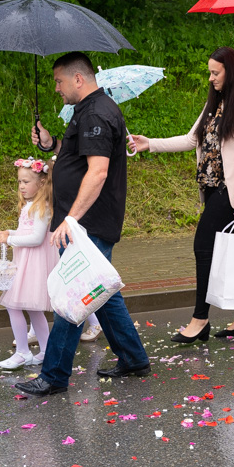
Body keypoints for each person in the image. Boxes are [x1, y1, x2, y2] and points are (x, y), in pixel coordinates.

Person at [15, 52, 150, 397]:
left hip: (88, 222)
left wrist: (71, 219)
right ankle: (134, 358)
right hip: (84, 220)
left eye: (59, 81)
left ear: (78, 79)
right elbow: (77, 156)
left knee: (73, 295)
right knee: (100, 292)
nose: (56, 88)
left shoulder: (97, 113)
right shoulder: (87, 111)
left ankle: (55, 375)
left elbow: (99, 170)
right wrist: (51, 144)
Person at [131, 47, 234, 343]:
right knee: (228, 248)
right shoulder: (215, 103)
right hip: (209, 186)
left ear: (230, 72)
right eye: (209, 72)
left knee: (203, 246)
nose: (210, 78)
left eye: (215, 72)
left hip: (229, 189)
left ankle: (200, 319)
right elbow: (190, 139)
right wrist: (149, 143)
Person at [0, 156, 56, 369]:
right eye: (19, 182)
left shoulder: (41, 207)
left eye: (26, 182)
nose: (21, 186)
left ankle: (22, 352)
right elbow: (25, 231)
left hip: (33, 265)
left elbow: (36, 238)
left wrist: (10, 240)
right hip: (26, 261)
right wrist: (9, 232)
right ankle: (47, 351)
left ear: (41, 183)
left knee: (13, 306)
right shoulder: (30, 205)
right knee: (34, 309)